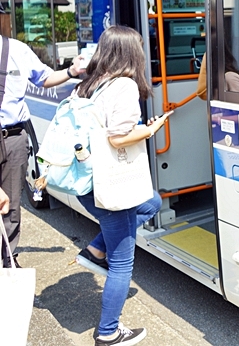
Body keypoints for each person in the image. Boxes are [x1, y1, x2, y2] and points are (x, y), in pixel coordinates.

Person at [71, 26, 171, 345]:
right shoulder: (125, 86)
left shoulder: (90, 83)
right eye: (140, 47)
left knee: (151, 202)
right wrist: (149, 130)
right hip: (109, 183)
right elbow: (117, 138)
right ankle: (108, 331)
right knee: (122, 262)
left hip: (85, 180)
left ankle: (96, 248)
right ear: (131, 52)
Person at [1, 39, 85, 268]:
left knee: (11, 203)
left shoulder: (16, 50)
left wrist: (71, 71)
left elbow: (43, 78)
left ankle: (9, 258)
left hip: (14, 137)